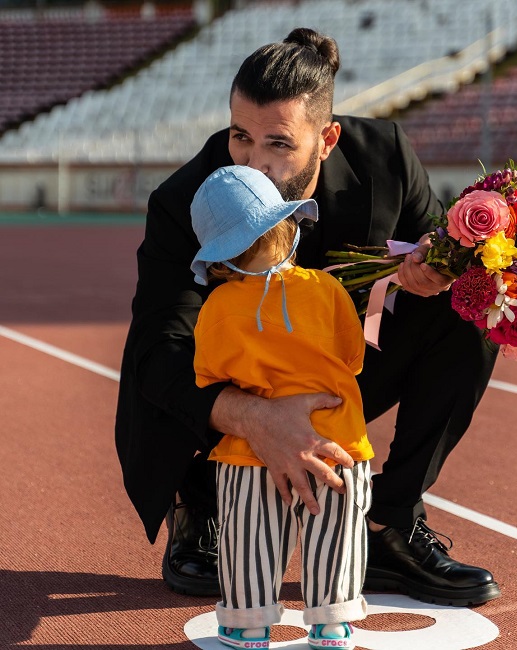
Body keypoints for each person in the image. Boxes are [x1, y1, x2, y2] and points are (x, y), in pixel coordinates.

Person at [115, 26, 501, 608]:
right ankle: (199, 498)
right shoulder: (186, 199)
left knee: (467, 309)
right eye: (240, 136)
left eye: (279, 144)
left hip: (328, 371)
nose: (252, 161)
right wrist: (254, 417)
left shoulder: (387, 160)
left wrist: (431, 272)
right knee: (163, 351)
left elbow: (436, 248)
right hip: (233, 378)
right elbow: (159, 351)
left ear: (327, 140)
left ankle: (388, 525)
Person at [190, 164, 373, 649]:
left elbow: (208, 375)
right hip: (338, 440)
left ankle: (247, 624)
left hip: (250, 450)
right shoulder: (328, 289)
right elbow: (353, 358)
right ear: (288, 227)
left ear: (221, 256)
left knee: (249, 539)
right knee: (336, 536)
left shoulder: (218, 306)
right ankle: (332, 622)